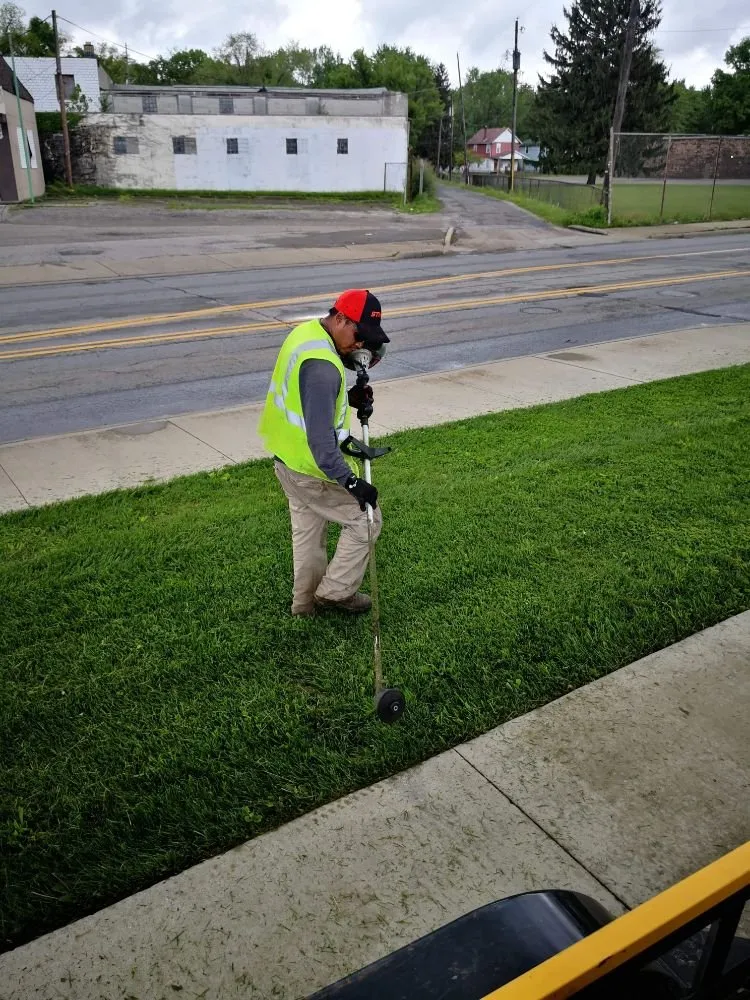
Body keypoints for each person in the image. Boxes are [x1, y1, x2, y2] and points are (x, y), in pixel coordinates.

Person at [259, 289, 390, 617]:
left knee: (308, 535)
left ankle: (303, 607)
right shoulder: (323, 368)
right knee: (367, 518)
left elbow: (308, 401)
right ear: (341, 319)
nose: (360, 345)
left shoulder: (306, 334)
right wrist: (352, 484)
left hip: (287, 459)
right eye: (358, 336)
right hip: (311, 467)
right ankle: (334, 593)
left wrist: (347, 397)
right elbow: (321, 443)